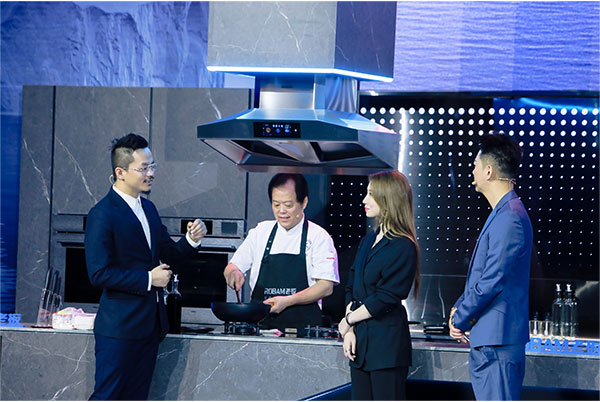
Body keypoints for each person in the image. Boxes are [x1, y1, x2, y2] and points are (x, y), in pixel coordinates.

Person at [85, 133, 207, 400]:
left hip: (149, 327)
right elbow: (98, 273)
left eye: (153, 166)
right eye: (143, 168)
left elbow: (169, 254)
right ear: (120, 172)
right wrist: (148, 279)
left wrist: (191, 240)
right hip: (119, 329)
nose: (151, 173)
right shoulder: (102, 214)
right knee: (107, 396)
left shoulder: (149, 209)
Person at [449, 132, 533, 400]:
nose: (471, 171)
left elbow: (492, 280)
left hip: (498, 343)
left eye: (475, 165)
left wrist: (460, 317)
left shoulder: (510, 217)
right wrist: (459, 307)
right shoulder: (504, 213)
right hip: (491, 341)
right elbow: (485, 276)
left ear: (489, 171)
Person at [338, 170, 420, 400]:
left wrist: (348, 321)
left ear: (388, 198)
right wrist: (350, 331)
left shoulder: (403, 245)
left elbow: (386, 297)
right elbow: (351, 286)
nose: (364, 200)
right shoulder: (368, 240)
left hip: (386, 349)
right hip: (360, 346)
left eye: (371, 194)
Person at [223, 173, 339, 333]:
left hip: (302, 331)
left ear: (304, 202)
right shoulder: (260, 232)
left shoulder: (319, 236)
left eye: (288, 205)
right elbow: (233, 267)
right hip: (261, 328)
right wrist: (233, 272)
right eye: (276, 205)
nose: (282, 211)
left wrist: (288, 301)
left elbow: (325, 287)